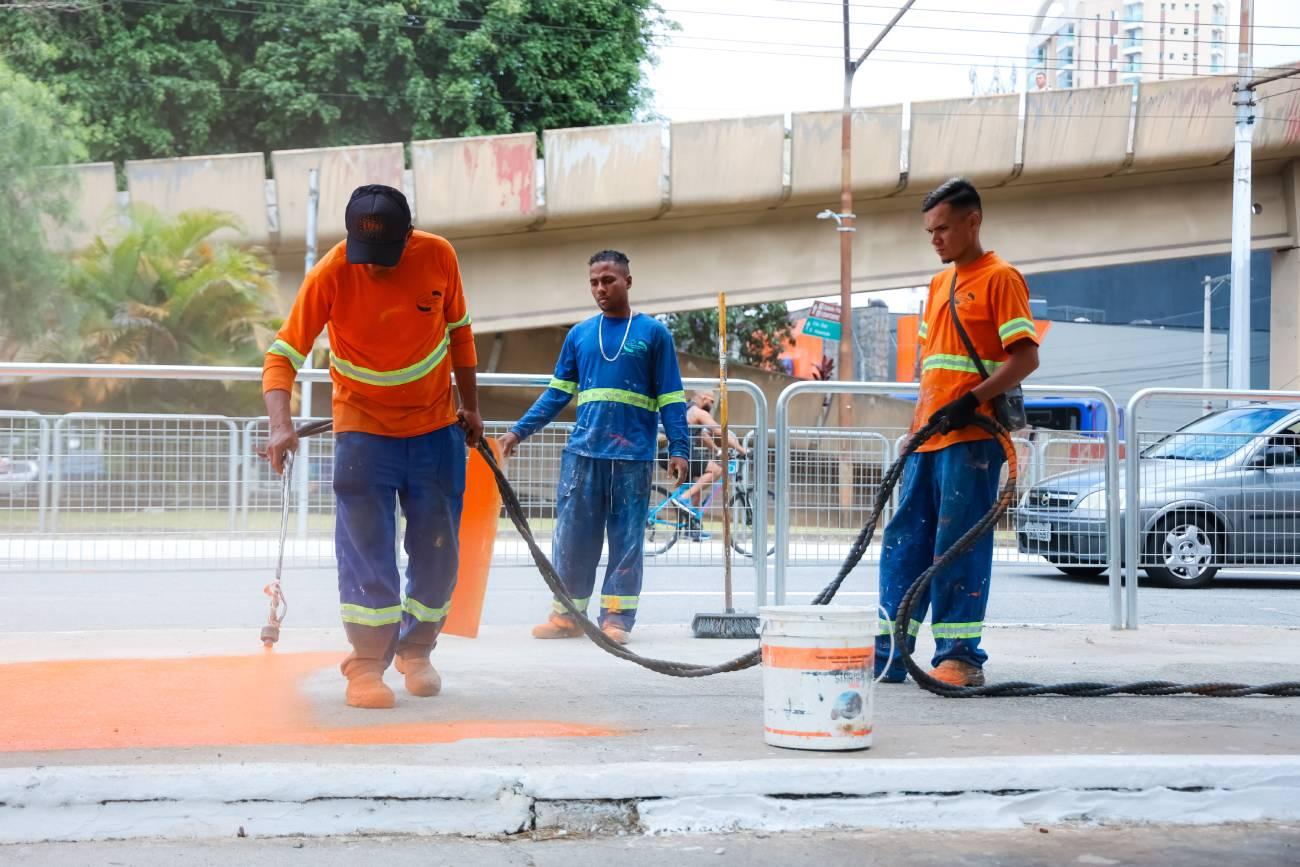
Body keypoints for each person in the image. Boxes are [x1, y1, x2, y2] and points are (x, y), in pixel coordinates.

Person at [260, 184, 482, 710]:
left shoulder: (439, 256)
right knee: (366, 552)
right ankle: (364, 664)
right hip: (362, 432)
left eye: (386, 254)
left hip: (434, 429)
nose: (376, 267)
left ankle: (417, 650)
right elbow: (282, 354)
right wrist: (279, 424)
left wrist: (471, 407)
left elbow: (460, 334)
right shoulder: (332, 272)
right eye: (367, 254)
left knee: (439, 551)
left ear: (409, 236)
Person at [875, 178, 1040, 688]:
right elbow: (931, 366)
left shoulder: (1001, 278)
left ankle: (960, 658)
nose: (936, 239)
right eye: (930, 231)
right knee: (905, 541)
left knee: (957, 544)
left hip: (972, 441)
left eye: (943, 228)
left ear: (973, 222)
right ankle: (890, 652)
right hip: (929, 438)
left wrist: (971, 400)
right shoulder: (938, 285)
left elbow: (1025, 358)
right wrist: (916, 428)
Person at [497, 250, 690, 645]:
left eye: (608, 280)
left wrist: (680, 448)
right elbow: (556, 394)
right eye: (594, 282)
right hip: (583, 455)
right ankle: (566, 615)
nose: (600, 288)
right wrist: (518, 432)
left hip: (632, 457)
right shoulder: (580, 335)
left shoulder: (654, 334)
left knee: (627, 541)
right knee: (572, 539)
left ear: (627, 282)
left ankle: (616, 619)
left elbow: (671, 398)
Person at [673, 390, 748, 538]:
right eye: (711, 401)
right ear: (703, 398)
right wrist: (741, 450)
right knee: (716, 470)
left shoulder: (687, 410)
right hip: (682, 453)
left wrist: (717, 451)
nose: (712, 405)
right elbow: (719, 431)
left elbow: (703, 435)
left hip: (672, 453)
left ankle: (692, 528)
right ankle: (683, 498)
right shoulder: (699, 412)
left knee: (696, 487)